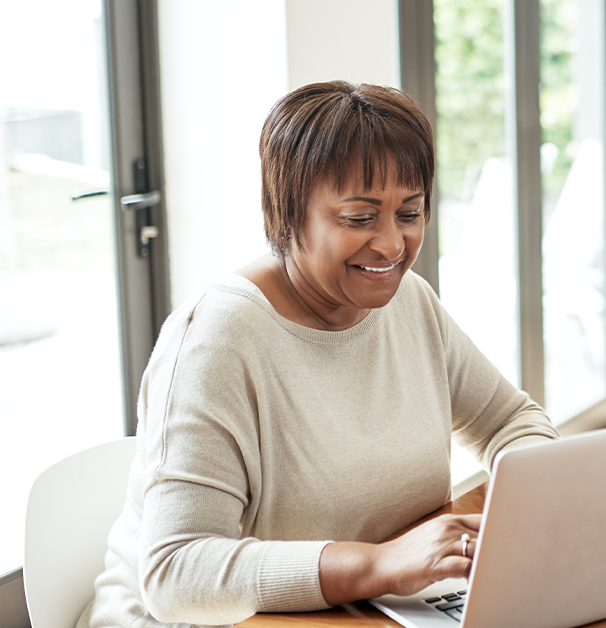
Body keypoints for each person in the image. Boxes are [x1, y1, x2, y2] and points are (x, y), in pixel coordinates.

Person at [79, 82, 558, 628]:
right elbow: (177, 573)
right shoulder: (217, 340)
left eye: (410, 213)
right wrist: (376, 564)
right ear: (286, 212)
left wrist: (529, 505)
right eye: (359, 218)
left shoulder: (410, 303)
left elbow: (510, 420)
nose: (393, 246)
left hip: (369, 609)